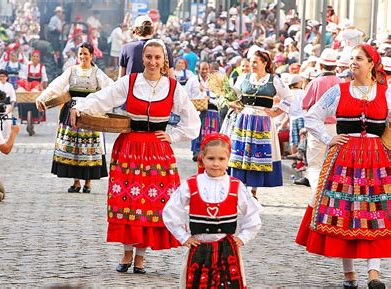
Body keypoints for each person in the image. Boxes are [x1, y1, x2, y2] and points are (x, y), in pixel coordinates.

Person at [70, 39, 200, 273]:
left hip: (158, 151)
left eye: (157, 57)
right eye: (148, 57)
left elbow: (192, 120)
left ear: (164, 61)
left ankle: (141, 257)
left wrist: (173, 135)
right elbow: (103, 98)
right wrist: (80, 107)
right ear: (143, 59)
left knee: (152, 204)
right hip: (129, 148)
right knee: (127, 202)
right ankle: (127, 252)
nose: (152, 61)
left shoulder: (172, 87)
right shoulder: (129, 82)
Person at [296, 44, 391, 289]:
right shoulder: (338, 91)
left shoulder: (386, 91)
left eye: (358, 58)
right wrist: (329, 139)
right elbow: (311, 116)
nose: (353, 62)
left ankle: (374, 274)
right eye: (351, 58)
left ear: (372, 63)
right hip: (344, 157)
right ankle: (349, 275)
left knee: (375, 213)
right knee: (344, 213)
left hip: (376, 159)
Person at [163, 133, 261, 289]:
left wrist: (243, 237)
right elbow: (171, 210)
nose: (216, 163)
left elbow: (252, 213)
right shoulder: (192, 184)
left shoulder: (235, 185)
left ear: (228, 159)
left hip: (227, 247)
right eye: (211, 159)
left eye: (221, 159)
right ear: (202, 157)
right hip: (199, 245)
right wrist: (184, 237)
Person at [36, 42, 113, 193]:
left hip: (89, 111)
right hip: (70, 111)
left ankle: (88, 183)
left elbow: (110, 88)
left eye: (85, 54)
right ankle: (76, 182)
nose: (83, 57)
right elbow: (56, 86)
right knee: (74, 148)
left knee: (89, 147)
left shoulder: (97, 73)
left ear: (91, 56)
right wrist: (42, 97)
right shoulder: (71, 71)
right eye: (80, 54)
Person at [226, 50, 292, 199]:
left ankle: (253, 189)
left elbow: (288, 97)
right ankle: (240, 187)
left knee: (257, 154)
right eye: (251, 61)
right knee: (242, 152)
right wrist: (231, 103)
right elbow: (234, 96)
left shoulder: (274, 80)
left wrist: (276, 112)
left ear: (265, 63)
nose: (252, 65)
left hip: (262, 121)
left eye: (255, 62)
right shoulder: (243, 78)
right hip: (244, 120)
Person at [301, 49, 342, 195]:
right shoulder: (341, 83)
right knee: (332, 163)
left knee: (314, 164)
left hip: (318, 126)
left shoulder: (315, 82)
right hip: (336, 127)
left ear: (321, 64)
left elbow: (305, 105)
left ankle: (317, 194)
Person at [191, 62, 221, 162]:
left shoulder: (213, 81)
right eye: (202, 69)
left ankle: (209, 151)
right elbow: (186, 94)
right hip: (197, 110)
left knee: (208, 132)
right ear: (198, 69)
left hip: (211, 110)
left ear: (209, 69)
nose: (204, 71)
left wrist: (210, 99)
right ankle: (196, 151)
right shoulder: (193, 80)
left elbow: (219, 97)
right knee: (197, 131)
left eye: (206, 69)